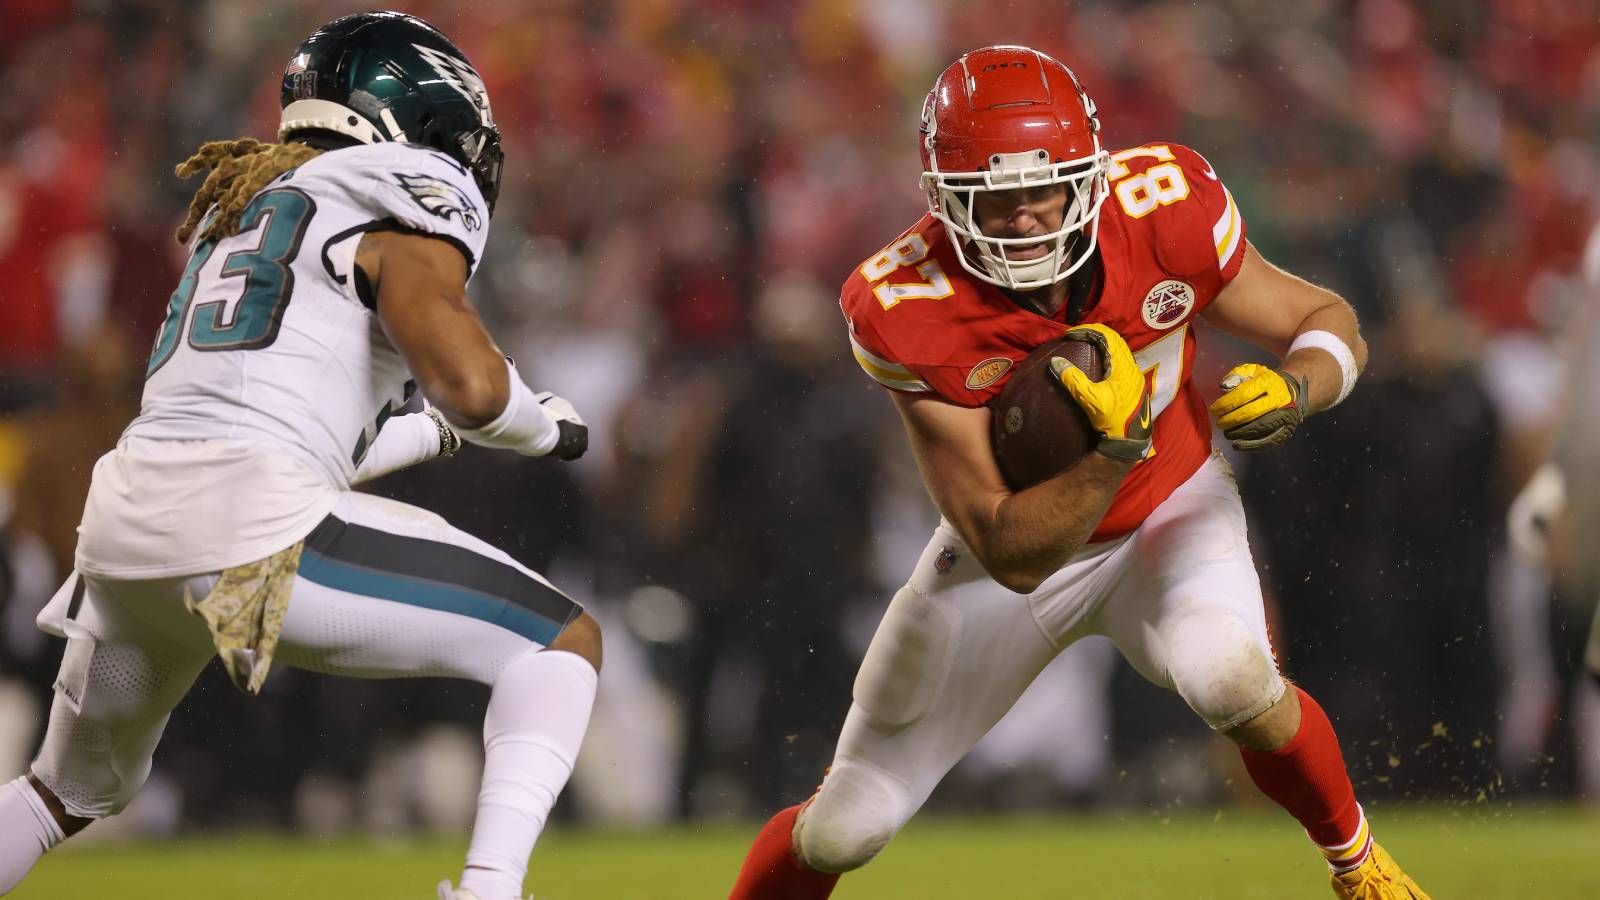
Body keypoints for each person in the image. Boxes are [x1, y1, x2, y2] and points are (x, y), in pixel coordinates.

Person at [727, 46, 1428, 900]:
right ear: (945, 199)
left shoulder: (1165, 209)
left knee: (1231, 674)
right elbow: (1010, 552)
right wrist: (1111, 451)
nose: (1024, 217)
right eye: (996, 198)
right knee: (847, 825)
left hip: (1172, 505)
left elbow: (1325, 317)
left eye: (1045, 188)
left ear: (1089, 175)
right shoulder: (906, 305)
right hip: (1017, 554)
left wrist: (1299, 388)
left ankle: (1359, 866)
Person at [0, 13, 599, 900]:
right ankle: (490, 891)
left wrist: (435, 432)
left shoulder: (250, 207)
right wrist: (542, 427)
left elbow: (300, 435)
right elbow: (472, 387)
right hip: (248, 537)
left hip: (126, 537)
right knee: (560, 642)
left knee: (61, 793)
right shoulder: (403, 189)